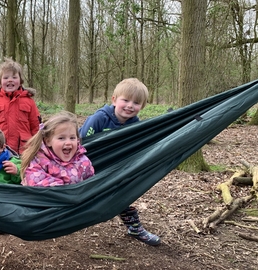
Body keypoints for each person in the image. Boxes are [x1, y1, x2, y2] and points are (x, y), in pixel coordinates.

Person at [79, 78, 161, 246]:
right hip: (87, 164)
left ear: (142, 107)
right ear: (114, 100)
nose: (130, 105)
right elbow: (83, 142)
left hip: (114, 167)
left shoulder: (135, 124)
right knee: (79, 192)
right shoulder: (99, 118)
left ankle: (134, 227)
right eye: (126, 100)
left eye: (136, 103)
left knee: (122, 193)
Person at [0, 58, 41, 154]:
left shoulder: (29, 101)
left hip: (24, 150)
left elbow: (36, 127)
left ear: (20, 81)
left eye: (14, 77)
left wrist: (37, 148)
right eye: (6, 78)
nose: (10, 80)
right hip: (0, 150)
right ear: (0, 82)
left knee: (22, 169)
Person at [21, 111, 94, 187]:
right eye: (61, 138)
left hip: (78, 197)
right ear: (48, 141)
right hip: (49, 197)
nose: (68, 142)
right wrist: (62, 186)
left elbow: (91, 184)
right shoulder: (40, 160)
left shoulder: (83, 161)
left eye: (72, 138)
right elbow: (35, 182)